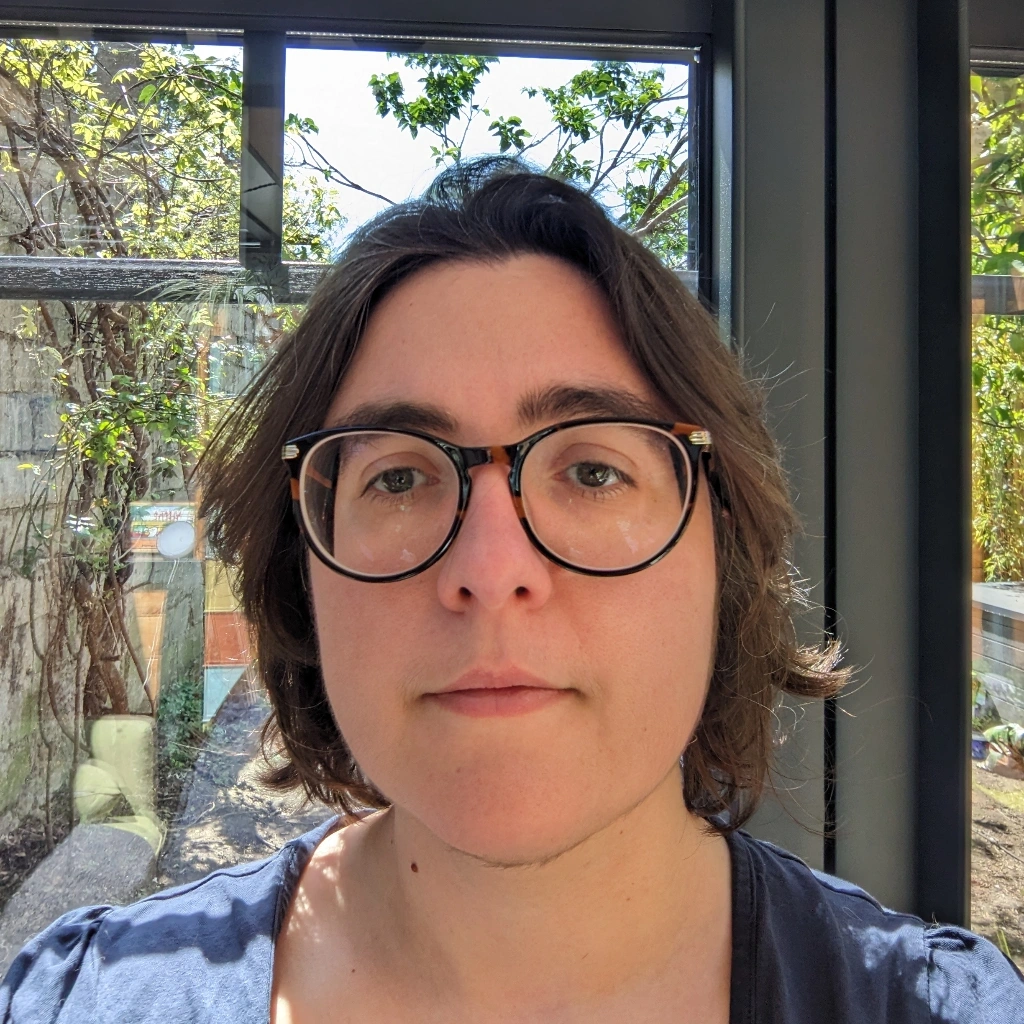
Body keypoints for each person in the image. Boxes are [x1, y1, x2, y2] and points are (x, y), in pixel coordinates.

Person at [2, 158, 1022, 1024]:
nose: (491, 572)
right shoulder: (77, 1003)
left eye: (594, 471)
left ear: (725, 555)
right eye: (398, 477)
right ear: (302, 577)